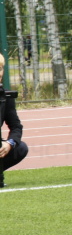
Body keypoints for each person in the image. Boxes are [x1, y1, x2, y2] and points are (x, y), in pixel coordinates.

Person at [0, 53, 28, 187]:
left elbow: (16, 126)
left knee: (21, 148)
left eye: (0, 68)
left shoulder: (6, 96)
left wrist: (9, 144)